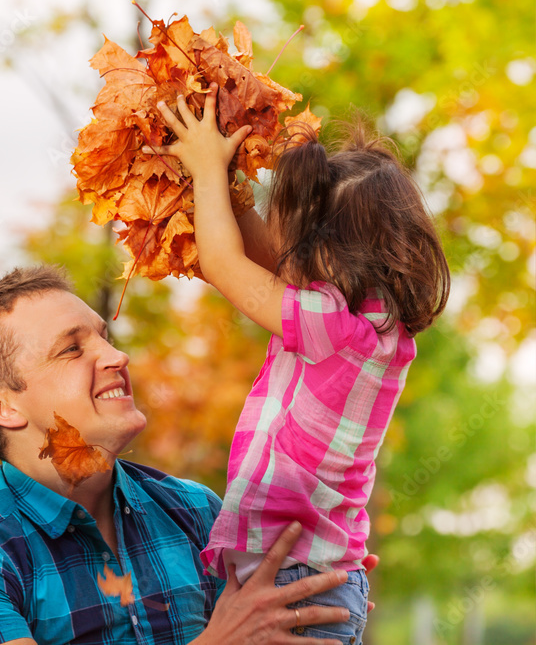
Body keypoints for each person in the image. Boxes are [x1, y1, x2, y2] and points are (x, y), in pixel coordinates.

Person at [0, 265, 374, 645]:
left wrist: (316, 602)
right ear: (4, 407)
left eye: (103, 337)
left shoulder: (195, 511)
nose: (116, 356)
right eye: (72, 349)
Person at [149, 86, 449, 644]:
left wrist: (208, 168)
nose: (286, 252)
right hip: (313, 575)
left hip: (296, 580)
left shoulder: (330, 327)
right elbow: (269, 266)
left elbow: (223, 262)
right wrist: (231, 185)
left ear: (329, 253)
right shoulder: (372, 323)